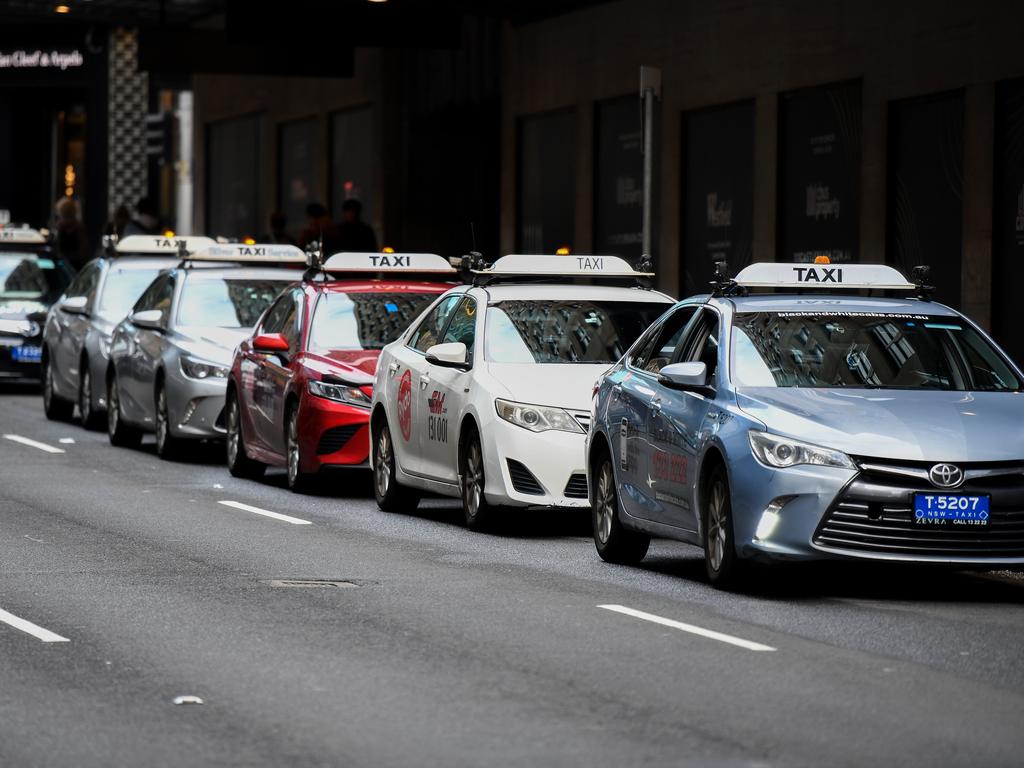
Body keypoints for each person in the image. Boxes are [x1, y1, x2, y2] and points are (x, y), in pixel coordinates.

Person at [54, 196, 89, 271]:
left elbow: (82, 252)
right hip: (63, 267)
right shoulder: (60, 228)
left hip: (74, 267)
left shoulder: (78, 229)